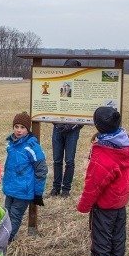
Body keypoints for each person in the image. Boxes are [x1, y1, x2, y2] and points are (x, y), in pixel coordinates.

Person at [76, 106, 129, 256]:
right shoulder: (126, 142)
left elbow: (94, 184)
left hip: (105, 203)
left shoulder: (103, 154)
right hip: (121, 200)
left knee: (101, 234)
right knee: (118, 232)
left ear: (97, 125)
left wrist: (84, 205)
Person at [1, 112, 48, 240]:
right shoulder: (11, 144)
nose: (19, 130)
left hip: (23, 191)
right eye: (16, 126)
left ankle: (7, 240)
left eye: (22, 127)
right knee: (5, 215)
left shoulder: (32, 147)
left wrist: (38, 193)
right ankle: (3, 237)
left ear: (28, 129)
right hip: (10, 188)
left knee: (14, 216)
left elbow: (41, 170)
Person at [50, 59, 84, 197]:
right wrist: (58, 124)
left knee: (69, 160)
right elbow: (51, 107)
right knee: (57, 160)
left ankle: (66, 189)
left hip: (72, 131)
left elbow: (84, 113)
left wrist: (72, 126)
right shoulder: (60, 85)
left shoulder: (81, 88)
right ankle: (56, 188)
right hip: (58, 129)